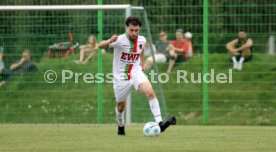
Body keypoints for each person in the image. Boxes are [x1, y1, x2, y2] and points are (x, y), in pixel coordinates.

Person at [98, 16, 176, 135]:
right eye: (131, 30)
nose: (134, 33)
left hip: (136, 72)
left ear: (139, 29)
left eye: (136, 30)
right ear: (127, 28)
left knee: (150, 92)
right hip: (121, 78)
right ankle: (121, 126)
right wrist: (109, 41)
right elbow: (99, 46)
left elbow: (142, 49)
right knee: (120, 107)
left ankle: (160, 123)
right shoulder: (119, 40)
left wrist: (142, 63)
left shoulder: (142, 40)